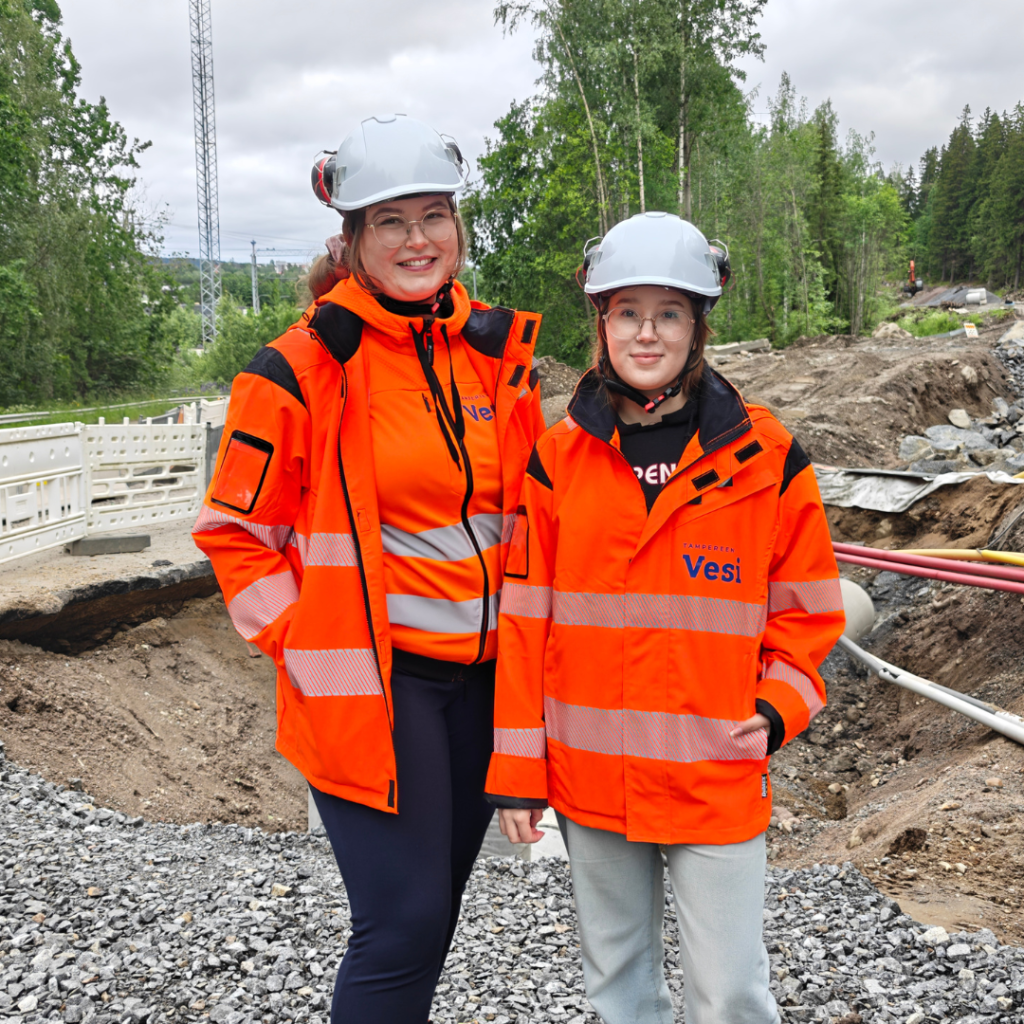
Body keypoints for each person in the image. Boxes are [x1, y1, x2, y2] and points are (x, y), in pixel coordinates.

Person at [193, 113, 547, 1024]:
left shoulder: (494, 357)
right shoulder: (300, 370)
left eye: (434, 214)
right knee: (401, 921)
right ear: (351, 240)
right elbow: (235, 533)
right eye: (390, 220)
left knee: (431, 923)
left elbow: (534, 517)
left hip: (484, 686)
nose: (417, 239)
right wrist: (309, 648)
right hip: (373, 688)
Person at [485, 212, 844, 1024]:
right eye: (627, 313)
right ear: (602, 322)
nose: (646, 334)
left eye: (669, 313)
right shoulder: (557, 459)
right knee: (618, 984)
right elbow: (525, 623)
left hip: (713, 772)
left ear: (698, 325)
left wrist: (774, 709)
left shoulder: (766, 458)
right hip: (590, 776)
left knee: (730, 996)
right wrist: (516, 770)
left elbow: (810, 613)